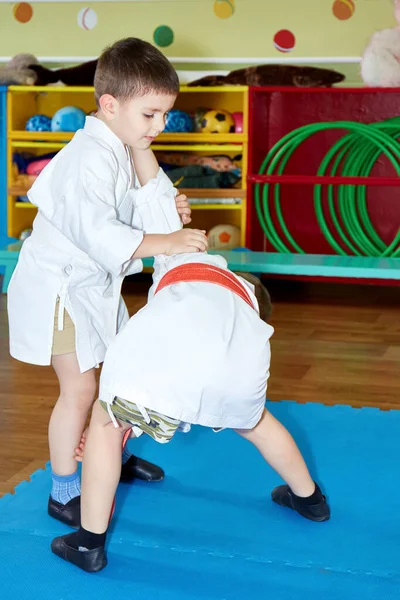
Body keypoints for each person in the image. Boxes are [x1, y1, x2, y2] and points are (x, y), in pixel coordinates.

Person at [51, 165, 330, 573]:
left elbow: (155, 204)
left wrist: (163, 191)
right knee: (259, 424)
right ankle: (310, 500)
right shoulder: (248, 315)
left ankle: (88, 543)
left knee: (107, 425)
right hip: (237, 377)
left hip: (161, 371)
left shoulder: (196, 262)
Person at [7, 37, 208, 529]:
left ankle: (109, 451)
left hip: (94, 288)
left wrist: (167, 216)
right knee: (79, 390)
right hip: (61, 290)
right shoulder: (87, 157)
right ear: (110, 104)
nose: (160, 126)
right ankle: (63, 488)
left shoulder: (119, 144)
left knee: (119, 376)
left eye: (165, 115)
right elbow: (100, 233)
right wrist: (166, 240)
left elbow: (136, 201)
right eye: (151, 114)